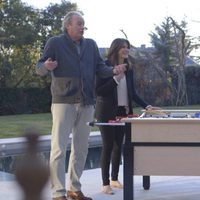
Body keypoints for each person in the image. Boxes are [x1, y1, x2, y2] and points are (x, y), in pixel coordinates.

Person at [36, 11, 126, 200]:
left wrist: (113, 70)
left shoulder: (91, 45)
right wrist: (47, 66)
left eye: (83, 24)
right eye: (79, 23)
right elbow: (40, 67)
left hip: (87, 103)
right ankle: (58, 192)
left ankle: (74, 189)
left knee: (81, 148)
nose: (82, 27)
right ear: (68, 25)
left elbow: (100, 68)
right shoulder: (55, 43)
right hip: (63, 102)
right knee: (59, 148)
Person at [95, 38, 158, 195]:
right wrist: (115, 79)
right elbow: (99, 91)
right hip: (106, 112)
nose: (126, 50)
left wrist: (146, 106)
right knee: (108, 146)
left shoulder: (128, 69)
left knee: (118, 146)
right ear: (115, 49)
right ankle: (105, 184)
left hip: (124, 112)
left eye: (127, 47)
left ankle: (115, 179)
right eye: (122, 47)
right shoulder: (104, 66)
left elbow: (133, 93)